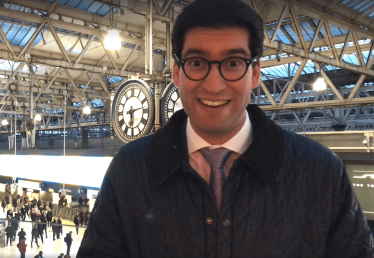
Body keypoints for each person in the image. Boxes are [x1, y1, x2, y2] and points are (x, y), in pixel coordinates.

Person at [77, 0, 374, 257]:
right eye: (196, 62)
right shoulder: (129, 170)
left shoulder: (321, 173)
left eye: (233, 63)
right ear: (177, 73)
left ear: (255, 72)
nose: (214, 85)